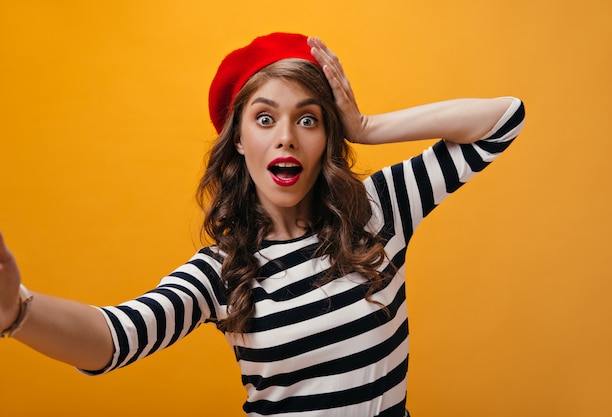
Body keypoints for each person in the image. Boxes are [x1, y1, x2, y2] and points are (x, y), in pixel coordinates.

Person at [0, 32, 525, 416]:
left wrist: (367, 127)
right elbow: (112, 338)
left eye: (308, 118)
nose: (286, 137)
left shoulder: (378, 210)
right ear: (238, 139)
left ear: (327, 136)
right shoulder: (223, 272)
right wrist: (16, 311)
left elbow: (502, 120)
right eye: (265, 118)